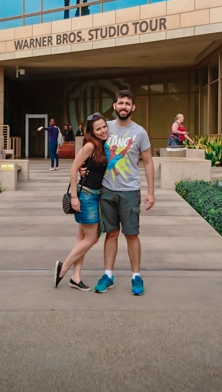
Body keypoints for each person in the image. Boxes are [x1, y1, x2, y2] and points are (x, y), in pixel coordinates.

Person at [91, 90, 155, 296]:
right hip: (107, 189)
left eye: (128, 103)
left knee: (131, 234)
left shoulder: (140, 132)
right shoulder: (105, 128)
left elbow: (148, 162)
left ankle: (136, 276)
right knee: (110, 233)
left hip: (129, 191)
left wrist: (151, 192)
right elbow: (91, 148)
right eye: (121, 103)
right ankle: (108, 275)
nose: (124, 106)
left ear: (133, 107)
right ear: (115, 106)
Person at [53, 113, 110, 291]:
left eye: (104, 127)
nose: (102, 131)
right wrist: (75, 197)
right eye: (98, 128)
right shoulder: (90, 146)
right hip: (86, 196)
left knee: (82, 239)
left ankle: (75, 278)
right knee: (92, 238)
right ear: (91, 131)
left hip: (95, 194)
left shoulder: (102, 145)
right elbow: (73, 168)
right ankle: (63, 268)